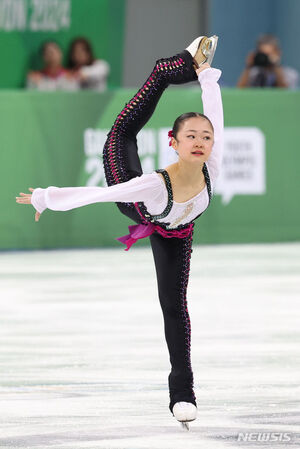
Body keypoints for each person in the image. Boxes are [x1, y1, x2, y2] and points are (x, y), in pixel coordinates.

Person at [16, 36, 223, 428]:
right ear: (174, 143)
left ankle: (183, 393)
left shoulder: (215, 166)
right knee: (124, 130)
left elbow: (215, 113)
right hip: (125, 174)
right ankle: (170, 66)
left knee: (175, 307)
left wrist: (208, 78)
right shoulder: (152, 185)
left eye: (206, 137)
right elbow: (101, 193)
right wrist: (48, 197)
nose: (200, 143)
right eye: (191, 137)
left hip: (175, 231)